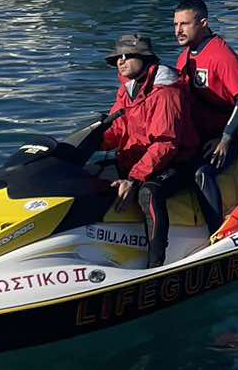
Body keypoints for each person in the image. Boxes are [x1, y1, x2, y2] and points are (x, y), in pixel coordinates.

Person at [77, 33, 200, 268]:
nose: (120, 62)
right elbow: (117, 128)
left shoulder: (166, 92)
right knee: (88, 173)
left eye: (126, 56)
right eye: (116, 58)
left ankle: (156, 264)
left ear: (144, 58)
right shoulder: (128, 89)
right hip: (140, 160)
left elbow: (166, 144)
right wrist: (89, 143)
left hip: (176, 161)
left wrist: (134, 177)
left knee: (149, 194)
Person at [172, 0, 238, 236]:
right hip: (199, 135)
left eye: (185, 24)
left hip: (227, 136)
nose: (178, 30)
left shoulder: (221, 55)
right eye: (176, 24)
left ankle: (217, 232)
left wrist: (227, 138)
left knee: (202, 172)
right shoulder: (185, 55)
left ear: (203, 22)